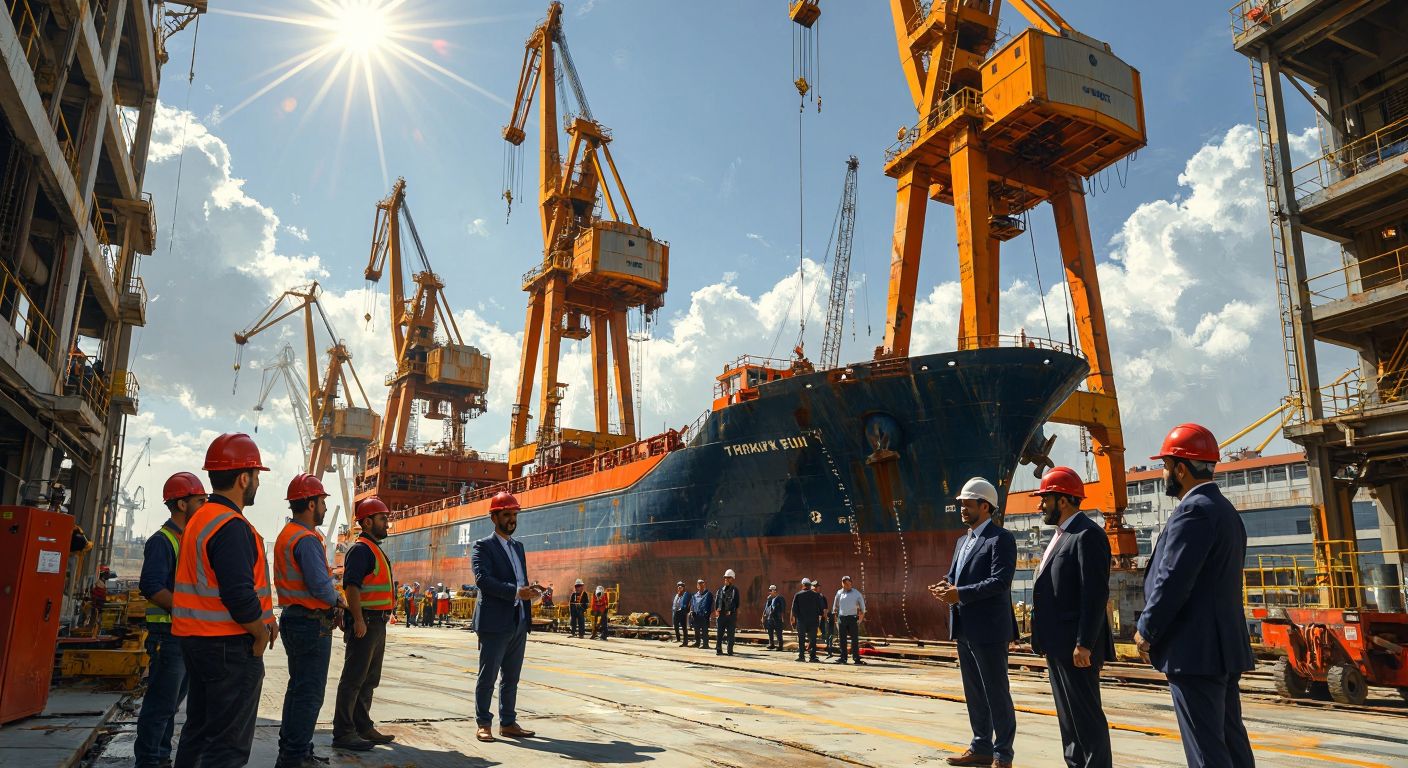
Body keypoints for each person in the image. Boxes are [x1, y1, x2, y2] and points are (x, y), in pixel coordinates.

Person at [1137, 424, 1255, 768]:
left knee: (1205, 748)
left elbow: (1174, 579)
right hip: (1222, 646)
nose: (1163, 473)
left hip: (1194, 650)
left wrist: (1147, 629)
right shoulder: (1226, 511)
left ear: (1181, 469)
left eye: (1165, 466)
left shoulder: (1194, 511)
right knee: (1230, 739)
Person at [171, 434, 276, 768]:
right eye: (256, 476)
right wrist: (259, 634)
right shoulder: (231, 526)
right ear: (243, 478)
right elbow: (238, 595)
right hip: (228, 648)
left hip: (197, 641)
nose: (258, 483)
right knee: (227, 747)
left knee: (199, 732)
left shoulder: (199, 519)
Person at [929, 477, 1018, 768]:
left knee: (996, 691)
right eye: (961, 504)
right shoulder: (962, 541)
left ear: (985, 506)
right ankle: (981, 746)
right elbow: (954, 575)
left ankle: (1003, 754)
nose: (962, 509)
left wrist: (959, 594)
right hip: (964, 627)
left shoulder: (1000, 539)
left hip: (989, 629)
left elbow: (1000, 582)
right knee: (975, 692)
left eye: (967, 504)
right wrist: (945, 585)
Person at [1030, 467, 1114, 768]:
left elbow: (1094, 594)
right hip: (1057, 645)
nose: (1041, 506)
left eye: (1045, 499)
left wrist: (1084, 643)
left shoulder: (1087, 535)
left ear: (1062, 500)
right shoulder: (1061, 535)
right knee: (1068, 720)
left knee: (1086, 719)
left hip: (1076, 647)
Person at [133, 472, 206, 768]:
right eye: (199, 501)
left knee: (172, 704)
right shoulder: (162, 541)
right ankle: (150, 760)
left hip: (185, 634)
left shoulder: (187, 539)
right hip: (168, 634)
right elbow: (151, 586)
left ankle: (160, 756)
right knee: (160, 704)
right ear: (181, 504)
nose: (204, 506)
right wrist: (186, 609)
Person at [274, 474, 347, 767]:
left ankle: (295, 750)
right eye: (322, 502)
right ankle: (294, 756)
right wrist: (339, 601)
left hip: (295, 618)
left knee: (298, 689)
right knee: (309, 694)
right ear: (311, 503)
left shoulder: (288, 534)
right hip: (310, 621)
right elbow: (320, 586)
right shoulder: (305, 539)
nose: (325, 509)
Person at [470, 492, 541, 743]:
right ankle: (483, 723)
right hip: (494, 622)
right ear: (494, 517)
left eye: (514, 515)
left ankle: (508, 723)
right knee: (487, 677)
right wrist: (515, 592)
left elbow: (519, 580)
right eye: (507, 514)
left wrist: (531, 590)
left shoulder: (518, 547)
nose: (512, 519)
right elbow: (483, 580)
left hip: (519, 620)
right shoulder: (483, 546)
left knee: (511, 677)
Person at [333, 497, 398, 752]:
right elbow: (351, 586)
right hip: (366, 622)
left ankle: (362, 726)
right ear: (368, 521)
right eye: (383, 519)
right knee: (353, 679)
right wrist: (358, 619)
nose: (387, 524)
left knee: (369, 678)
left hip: (377, 623)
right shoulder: (361, 550)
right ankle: (343, 732)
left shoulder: (373, 548)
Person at [833, 576, 867, 665]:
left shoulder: (857, 594)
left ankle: (856, 658)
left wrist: (859, 620)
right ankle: (843, 658)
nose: (846, 585)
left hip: (852, 618)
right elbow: (835, 607)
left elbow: (863, 609)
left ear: (851, 583)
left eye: (847, 583)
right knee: (842, 639)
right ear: (842, 583)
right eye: (844, 583)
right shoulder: (839, 593)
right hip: (842, 618)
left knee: (854, 639)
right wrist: (836, 620)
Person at [791, 577, 824, 662]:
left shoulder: (798, 595)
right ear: (810, 585)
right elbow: (821, 609)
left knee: (801, 639)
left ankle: (801, 656)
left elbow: (794, 609)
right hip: (813, 621)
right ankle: (812, 657)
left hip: (801, 621)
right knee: (812, 639)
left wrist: (795, 619)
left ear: (802, 585)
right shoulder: (816, 595)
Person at [713, 569, 740, 655]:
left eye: (728, 578)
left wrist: (731, 611)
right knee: (719, 633)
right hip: (721, 615)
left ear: (732, 579)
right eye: (725, 578)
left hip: (731, 616)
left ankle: (730, 651)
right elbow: (717, 601)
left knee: (730, 634)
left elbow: (737, 602)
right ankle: (718, 649)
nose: (726, 579)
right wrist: (716, 610)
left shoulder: (735, 590)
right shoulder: (720, 590)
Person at [689, 578, 713, 649]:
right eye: (699, 584)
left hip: (704, 615)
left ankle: (705, 644)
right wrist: (691, 611)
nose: (700, 585)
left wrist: (711, 613)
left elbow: (712, 604)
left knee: (704, 630)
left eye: (702, 583)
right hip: (696, 615)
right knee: (696, 629)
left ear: (704, 584)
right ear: (697, 586)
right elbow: (692, 604)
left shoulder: (708, 594)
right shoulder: (695, 595)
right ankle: (697, 642)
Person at [762, 584, 786, 651]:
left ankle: (780, 646)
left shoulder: (780, 598)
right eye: (769, 590)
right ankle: (771, 644)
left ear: (775, 591)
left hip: (777, 618)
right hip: (770, 618)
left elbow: (783, 608)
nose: (769, 592)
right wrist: (763, 616)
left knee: (778, 632)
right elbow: (766, 608)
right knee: (770, 632)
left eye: (771, 590)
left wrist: (782, 617)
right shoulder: (769, 599)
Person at [816, 579, 835, 657]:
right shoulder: (810, 596)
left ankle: (828, 650)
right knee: (812, 635)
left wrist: (825, 615)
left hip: (822, 618)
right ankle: (812, 650)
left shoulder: (822, 597)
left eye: (817, 587)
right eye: (814, 587)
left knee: (825, 635)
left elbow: (826, 608)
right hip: (813, 619)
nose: (816, 588)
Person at [671, 581, 690, 646]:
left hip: (682, 612)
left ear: (683, 587)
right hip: (676, 612)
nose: (679, 588)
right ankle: (678, 638)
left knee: (684, 627)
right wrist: (674, 610)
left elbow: (688, 603)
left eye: (681, 587)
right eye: (678, 587)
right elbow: (674, 603)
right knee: (675, 625)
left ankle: (685, 641)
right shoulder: (677, 595)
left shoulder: (686, 594)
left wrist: (686, 610)